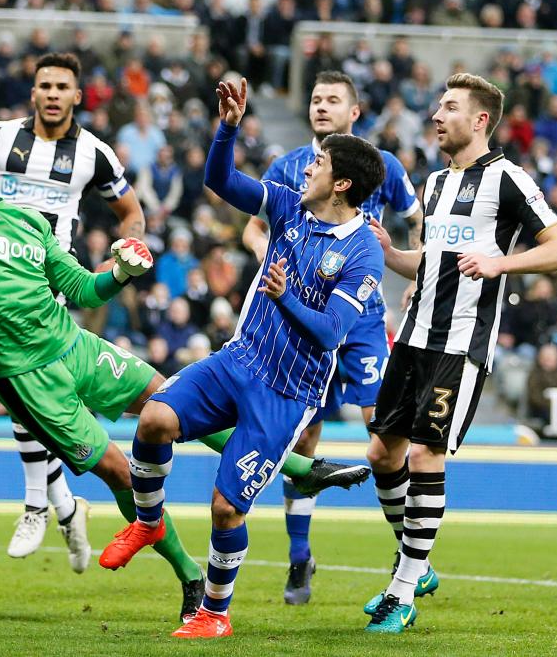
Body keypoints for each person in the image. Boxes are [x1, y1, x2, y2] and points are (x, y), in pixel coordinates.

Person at [0, 37, 367, 623]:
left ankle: (302, 469)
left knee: (164, 401)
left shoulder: (25, 219)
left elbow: (80, 289)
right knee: (121, 471)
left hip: (70, 344)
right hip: (24, 374)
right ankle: (189, 574)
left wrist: (119, 272)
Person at [99, 78, 386, 638]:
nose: (306, 169)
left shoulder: (363, 250)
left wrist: (287, 298)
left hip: (288, 393)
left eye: (319, 165)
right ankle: (149, 523)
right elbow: (218, 179)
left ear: (342, 183)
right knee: (155, 417)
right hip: (240, 359)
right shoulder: (288, 206)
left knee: (226, 509)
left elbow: (331, 333)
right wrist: (227, 127)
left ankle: (214, 612)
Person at [363, 73, 557, 633]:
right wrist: (394, 254)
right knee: (382, 456)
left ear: (480, 120)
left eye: (449, 107)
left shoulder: (508, 180)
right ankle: (419, 562)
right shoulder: (434, 184)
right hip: (412, 337)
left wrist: (503, 263)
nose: (436, 115)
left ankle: (402, 591)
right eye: (437, 105)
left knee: (425, 456)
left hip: (461, 343)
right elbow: (435, 261)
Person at [228, 71, 423, 605]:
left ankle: (409, 553)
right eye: (315, 99)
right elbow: (253, 225)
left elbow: (415, 219)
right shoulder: (289, 168)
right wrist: (267, 255)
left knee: (380, 432)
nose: (320, 107)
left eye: (333, 100)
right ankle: (299, 556)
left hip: (360, 318)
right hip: (299, 313)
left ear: (354, 112)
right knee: (305, 438)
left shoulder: (383, 168)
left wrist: (412, 273)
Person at [0, 52, 146, 569]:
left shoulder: (94, 153)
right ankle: (67, 506)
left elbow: (131, 211)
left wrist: (129, 248)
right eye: (44, 85)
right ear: (33, 93)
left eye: (62, 87)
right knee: (24, 401)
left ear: (78, 96)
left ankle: (35, 505)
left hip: (49, 280)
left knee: (25, 391)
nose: (52, 94)